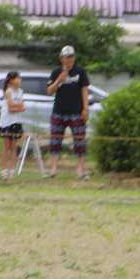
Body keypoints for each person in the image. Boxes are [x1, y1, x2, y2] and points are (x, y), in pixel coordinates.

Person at [47, 45, 91, 180]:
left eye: (71, 57)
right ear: (61, 58)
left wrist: (85, 108)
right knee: (55, 140)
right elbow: (49, 91)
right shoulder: (56, 72)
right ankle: (53, 168)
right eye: (66, 57)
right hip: (59, 110)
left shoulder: (80, 72)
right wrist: (59, 80)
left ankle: (80, 169)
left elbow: (84, 89)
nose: (69, 60)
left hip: (76, 111)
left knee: (79, 140)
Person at [0, 71, 26, 181]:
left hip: (17, 121)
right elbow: (10, 107)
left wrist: (17, 107)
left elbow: (22, 107)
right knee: (6, 146)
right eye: (17, 78)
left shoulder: (21, 92)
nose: (19, 80)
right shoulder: (8, 91)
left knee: (14, 147)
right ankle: (4, 170)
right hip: (7, 122)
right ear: (11, 80)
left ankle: (12, 170)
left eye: (20, 78)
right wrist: (18, 107)